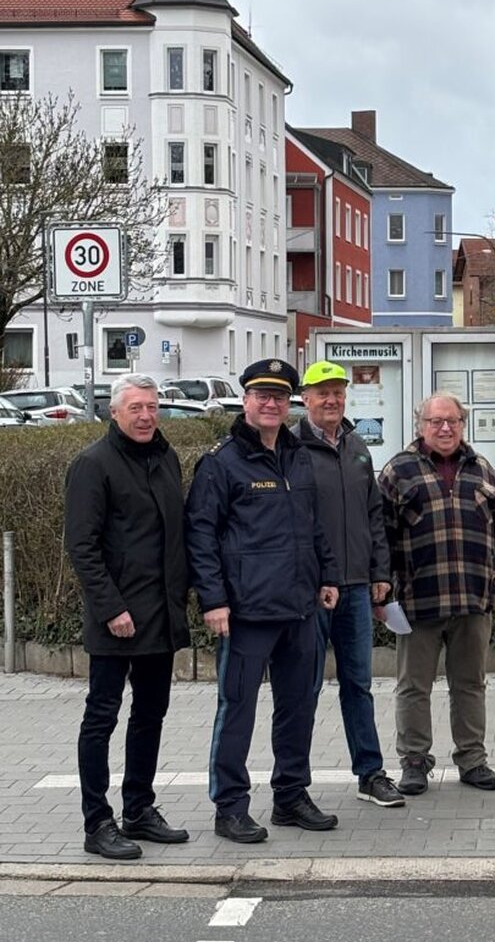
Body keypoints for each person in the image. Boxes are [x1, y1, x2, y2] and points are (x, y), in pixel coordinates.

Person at [185, 359, 341, 843]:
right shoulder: (221, 461)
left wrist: (328, 576)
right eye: (261, 395)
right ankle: (230, 807)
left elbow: (313, 524)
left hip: (300, 607)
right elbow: (201, 536)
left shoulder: (298, 456)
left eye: (279, 396)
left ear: (290, 401)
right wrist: (213, 600)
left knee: (299, 706)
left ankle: (291, 797)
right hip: (246, 612)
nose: (271, 404)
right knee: (238, 710)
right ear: (246, 401)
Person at [65, 374, 191, 860]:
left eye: (152, 407)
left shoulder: (165, 457)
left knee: (150, 716)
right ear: (114, 413)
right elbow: (82, 545)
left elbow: (174, 536)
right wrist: (112, 607)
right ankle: (97, 823)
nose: (145, 416)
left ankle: (139, 807)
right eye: (135, 408)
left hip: (160, 614)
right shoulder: (93, 464)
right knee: (102, 718)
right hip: (116, 618)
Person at [378, 393, 495, 796]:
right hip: (419, 602)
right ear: (420, 425)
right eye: (435, 421)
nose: (445, 428)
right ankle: (414, 762)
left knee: (470, 683)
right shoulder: (397, 472)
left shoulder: (481, 469)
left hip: (473, 600)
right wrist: (384, 589)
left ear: (462, 424)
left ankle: (472, 760)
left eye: (452, 421)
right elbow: (378, 538)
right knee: (413, 687)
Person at [293, 359, 404, 808]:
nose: (332, 399)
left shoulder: (358, 446)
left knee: (358, 684)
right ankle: (293, 783)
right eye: (322, 392)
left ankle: (371, 773)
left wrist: (380, 573)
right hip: (312, 589)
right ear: (306, 399)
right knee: (304, 687)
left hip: (357, 585)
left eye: (338, 391)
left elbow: (373, 515)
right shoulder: (292, 448)